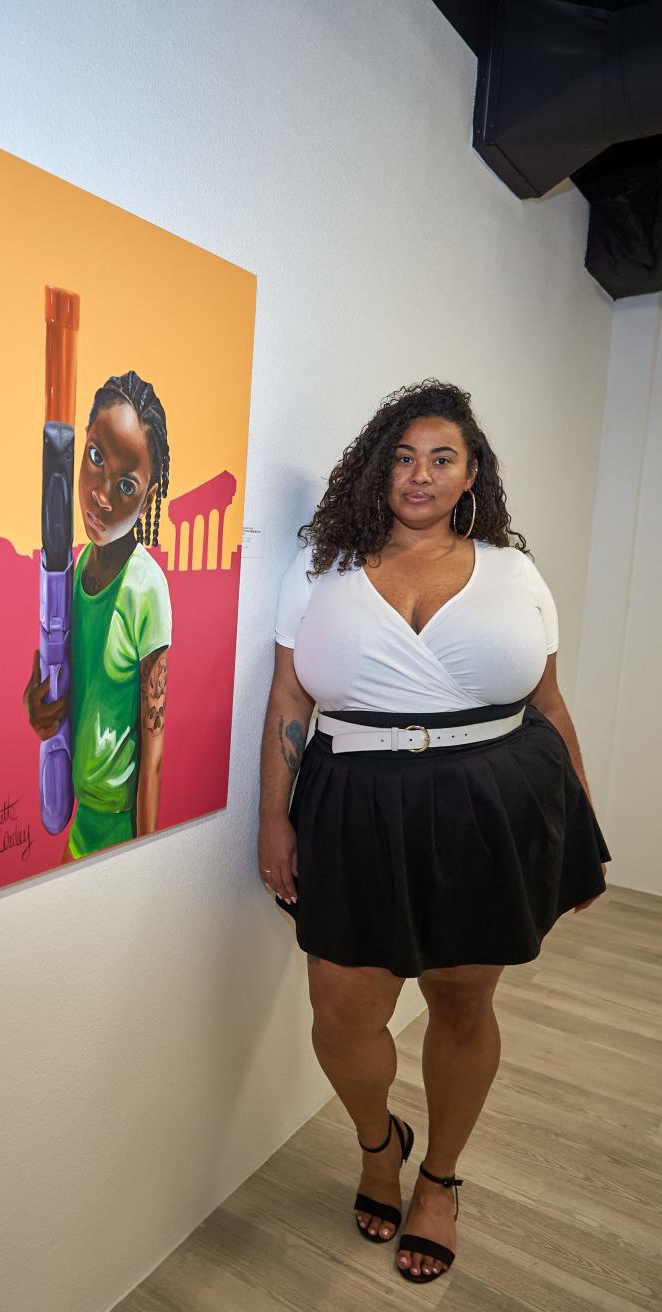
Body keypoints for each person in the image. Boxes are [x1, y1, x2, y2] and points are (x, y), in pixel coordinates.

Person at [257, 379, 609, 1285]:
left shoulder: (514, 574)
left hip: (485, 805)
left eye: (441, 458)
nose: (419, 474)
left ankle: (440, 1179)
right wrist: (272, 819)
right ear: (378, 471)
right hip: (353, 803)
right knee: (340, 1009)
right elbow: (290, 698)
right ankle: (381, 1144)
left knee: (461, 999)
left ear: (470, 474)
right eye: (403, 457)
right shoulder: (319, 569)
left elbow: (551, 704)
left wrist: (578, 824)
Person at [25, 370, 172, 861]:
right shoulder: (76, 566)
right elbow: (65, 681)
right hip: (77, 822)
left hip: (118, 830)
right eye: (95, 459)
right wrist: (40, 705)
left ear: (149, 497)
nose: (102, 496)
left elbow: (151, 756)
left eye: (126, 485)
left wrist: (141, 858)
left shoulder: (146, 588)